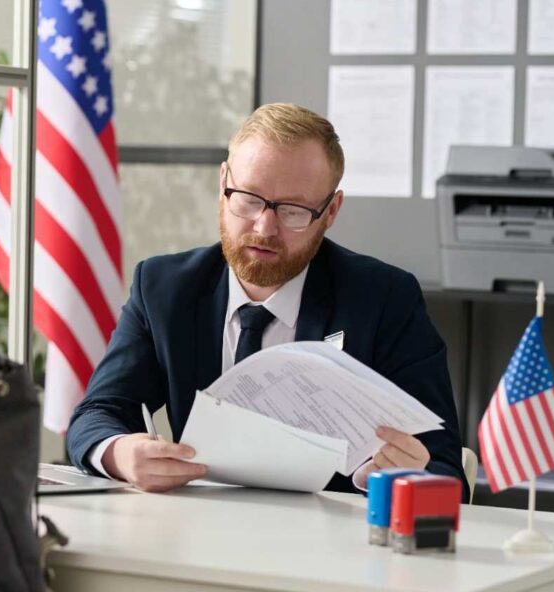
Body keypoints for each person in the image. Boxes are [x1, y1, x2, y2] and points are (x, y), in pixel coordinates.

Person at [66, 103, 466, 497]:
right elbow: (97, 415)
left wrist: (388, 476)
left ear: (331, 211)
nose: (265, 227)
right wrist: (120, 453)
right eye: (249, 198)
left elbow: (444, 465)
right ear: (223, 184)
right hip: (196, 536)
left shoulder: (384, 300)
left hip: (331, 549)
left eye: (293, 210)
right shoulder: (164, 288)